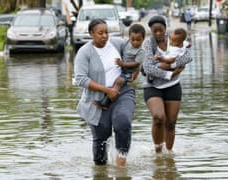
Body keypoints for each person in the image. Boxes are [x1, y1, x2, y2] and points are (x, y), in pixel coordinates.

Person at [74, 18, 136, 168]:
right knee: (101, 143)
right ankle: (100, 171)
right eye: (100, 33)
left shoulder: (117, 44)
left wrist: (133, 73)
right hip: (97, 100)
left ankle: (121, 158)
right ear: (91, 34)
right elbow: (81, 79)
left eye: (106, 32)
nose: (105, 36)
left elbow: (136, 53)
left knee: (123, 121)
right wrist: (106, 90)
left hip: (122, 92)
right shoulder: (84, 52)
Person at [142, 15, 193, 155]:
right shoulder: (148, 44)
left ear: (165, 28)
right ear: (151, 31)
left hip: (173, 86)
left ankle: (169, 154)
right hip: (153, 87)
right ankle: (158, 151)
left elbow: (188, 57)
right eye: (155, 31)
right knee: (159, 118)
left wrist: (170, 64)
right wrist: (170, 72)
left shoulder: (175, 39)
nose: (158, 33)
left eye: (160, 30)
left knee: (171, 122)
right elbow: (148, 69)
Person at [94, 23, 146, 110]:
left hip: (129, 72)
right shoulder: (126, 43)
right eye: (133, 40)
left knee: (118, 81)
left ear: (143, 39)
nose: (135, 42)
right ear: (129, 37)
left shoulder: (141, 51)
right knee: (112, 80)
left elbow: (136, 63)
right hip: (122, 69)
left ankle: (106, 102)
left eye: (138, 40)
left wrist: (123, 64)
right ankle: (106, 99)